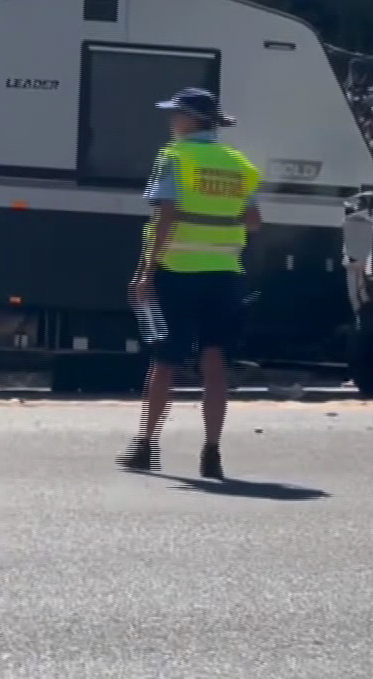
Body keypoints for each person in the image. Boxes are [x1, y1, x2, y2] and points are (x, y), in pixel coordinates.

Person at [117, 87, 262, 480]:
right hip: (225, 274)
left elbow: (167, 215)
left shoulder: (175, 157)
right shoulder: (238, 163)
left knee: (165, 361)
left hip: (177, 272)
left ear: (192, 120)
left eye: (176, 114)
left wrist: (147, 270)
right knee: (214, 361)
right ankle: (212, 452)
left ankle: (146, 446)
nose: (170, 121)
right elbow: (253, 222)